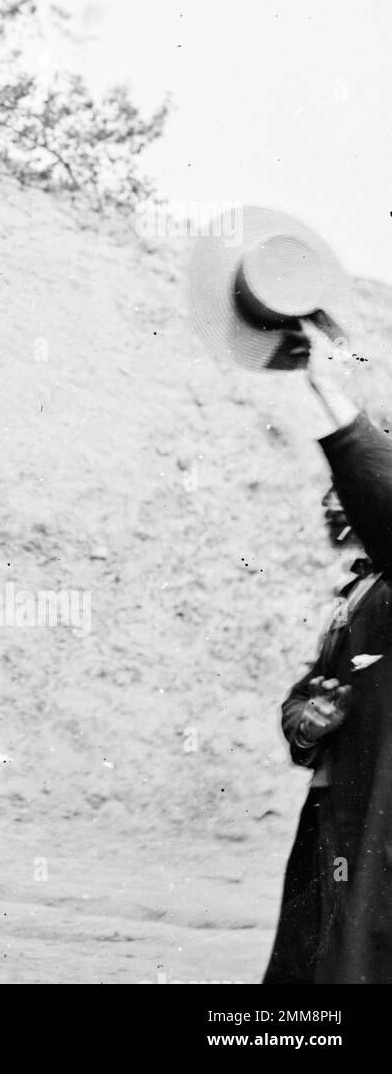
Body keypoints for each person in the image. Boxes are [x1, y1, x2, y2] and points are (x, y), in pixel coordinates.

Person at [263, 319, 392, 983]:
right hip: (335, 823)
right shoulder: (359, 593)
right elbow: (312, 690)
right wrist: (305, 720)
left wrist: (327, 389)